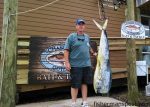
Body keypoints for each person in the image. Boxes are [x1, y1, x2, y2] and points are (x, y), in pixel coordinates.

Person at [64, 18, 94, 107]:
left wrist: (94, 52)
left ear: (84, 26)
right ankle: (73, 103)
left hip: (86, 64)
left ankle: (84, 102)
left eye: (82, 24)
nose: (81, 26)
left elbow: (89, 47)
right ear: (76, 26)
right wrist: (67, 62)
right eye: (79, 24)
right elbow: (66, 50)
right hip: (75, 65)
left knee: (84, 84)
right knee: (75, 85)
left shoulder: (87, 37)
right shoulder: (71, 37)